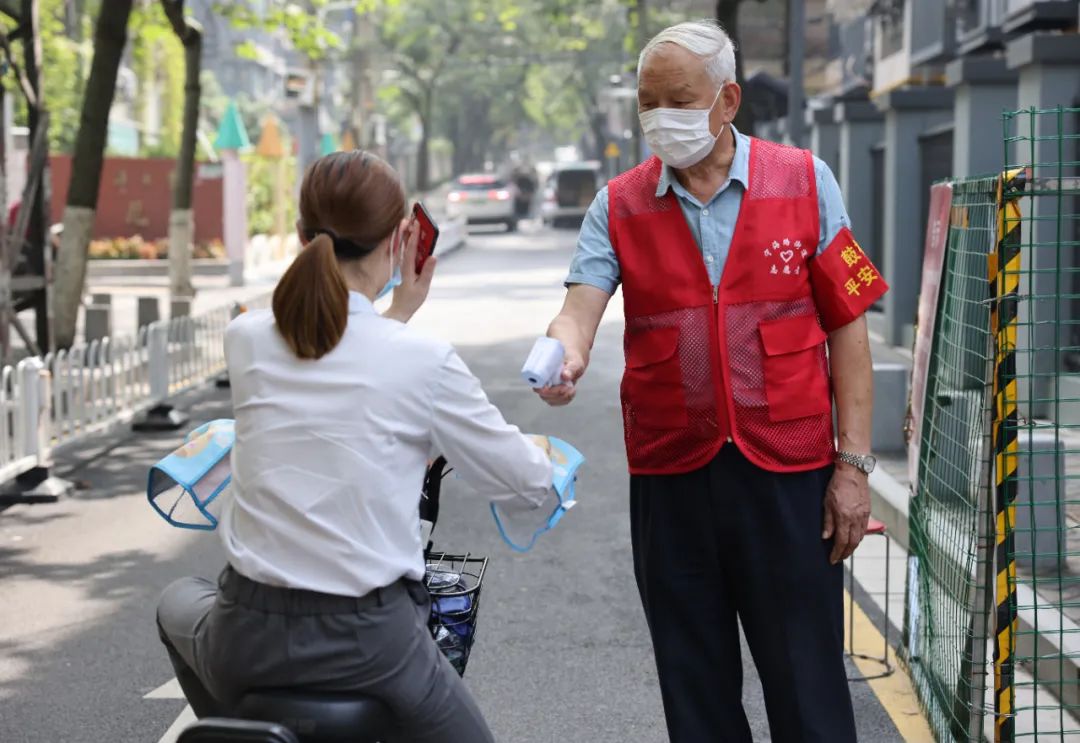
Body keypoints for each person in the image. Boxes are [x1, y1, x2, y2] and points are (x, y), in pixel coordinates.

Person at [537, 21, 888, 743]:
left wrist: (852, 466)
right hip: (673, 481)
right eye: (648, 100)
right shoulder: (620, 204)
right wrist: (562, 355)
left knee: (809, 688)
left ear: (727, 100)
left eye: (679, 97)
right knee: (694, 695)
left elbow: (849, 324)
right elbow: (579, 309)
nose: (660, 114)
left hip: (789, 476)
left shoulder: (806, 180)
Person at [155, 150, 554, 743]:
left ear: (300, 234)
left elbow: (332, 358)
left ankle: (238, 728)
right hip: (372, 643)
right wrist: (543, 457)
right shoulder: (422, 360)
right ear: (400, 239)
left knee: (176, 602)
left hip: (247, 633)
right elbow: (527, 481)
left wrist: (399, 313)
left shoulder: (246, 339)